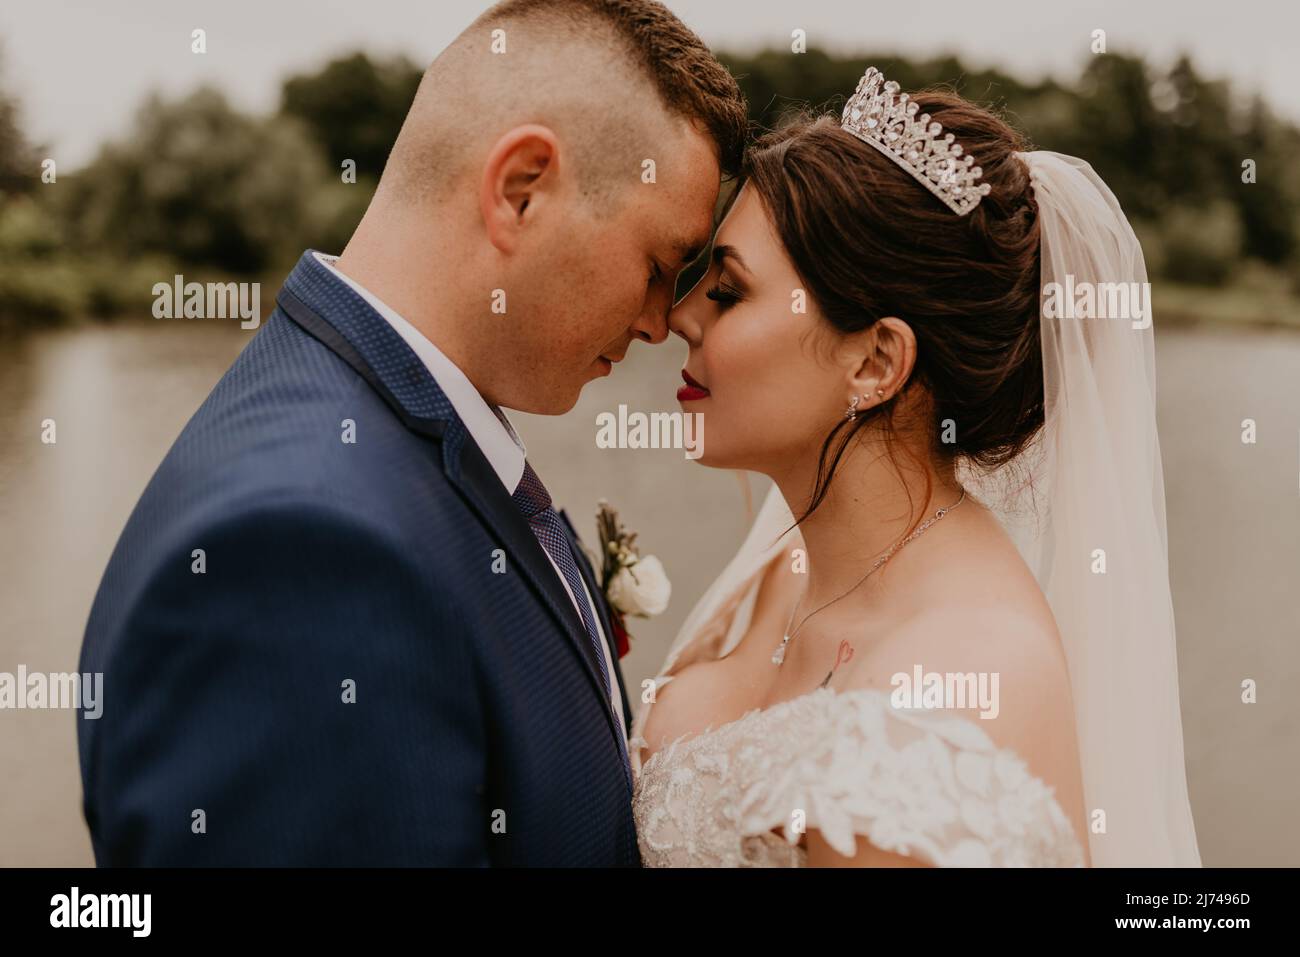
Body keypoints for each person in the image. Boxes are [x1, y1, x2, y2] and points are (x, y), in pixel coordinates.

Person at [77, 0, 747, 866]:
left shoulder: (405, 421)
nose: (662, 322)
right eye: (659, 267)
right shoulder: (302, 561)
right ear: (521, 190)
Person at [631, 67, 1202, 868]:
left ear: (876, 361)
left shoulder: (963, 678)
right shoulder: (790, 565)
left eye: (727, 291)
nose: (679, 317)